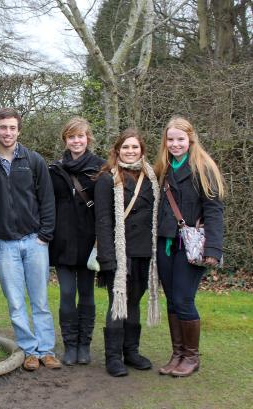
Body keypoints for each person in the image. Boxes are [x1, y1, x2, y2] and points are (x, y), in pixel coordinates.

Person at [0, 107, 60, 371]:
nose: (7, 132)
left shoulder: (33, 161)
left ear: (19, 130)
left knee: (40, 301)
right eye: (3, 127)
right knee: (15, 302)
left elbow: (47, 200)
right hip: (4, 243)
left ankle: (46, 350)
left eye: (12, 128)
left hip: (34, 241)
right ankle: (29, 351)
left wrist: (45, 236)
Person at [154, 116, 224, 377]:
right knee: (172, 300)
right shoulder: (163, 168)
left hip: (192, 247)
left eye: (180, 139)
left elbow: (214, 211)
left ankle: (192, 357)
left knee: (184, 299)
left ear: (190, 139)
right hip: (166, 243)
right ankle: (178, 354)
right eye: (170, 139)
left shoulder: (204, 168)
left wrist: (213, 250)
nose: (175, 144)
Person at [94, 129, 160, 377]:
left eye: (135, 147)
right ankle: (113, 357)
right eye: (125, 147)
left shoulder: (152, 177)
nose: (130, 151)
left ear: (142, 150)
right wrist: (107, 258)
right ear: (117, 150)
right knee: (117, 303)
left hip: (144, 252)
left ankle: (131, 351)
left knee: (134, 301)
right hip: (120, 254)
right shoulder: (106, 179)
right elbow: (102, 221)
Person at [48, 117, 105, 365]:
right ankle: (70, 345)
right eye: (71, 137)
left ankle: (84, 345)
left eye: (80, 136)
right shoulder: (54, 170)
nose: (76, 141)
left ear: (88, 138)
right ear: (65, 140)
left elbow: (106, 209)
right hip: (62, 244)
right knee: (67, 294)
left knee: (87, 294)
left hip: (89, 244)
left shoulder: (101, 168)